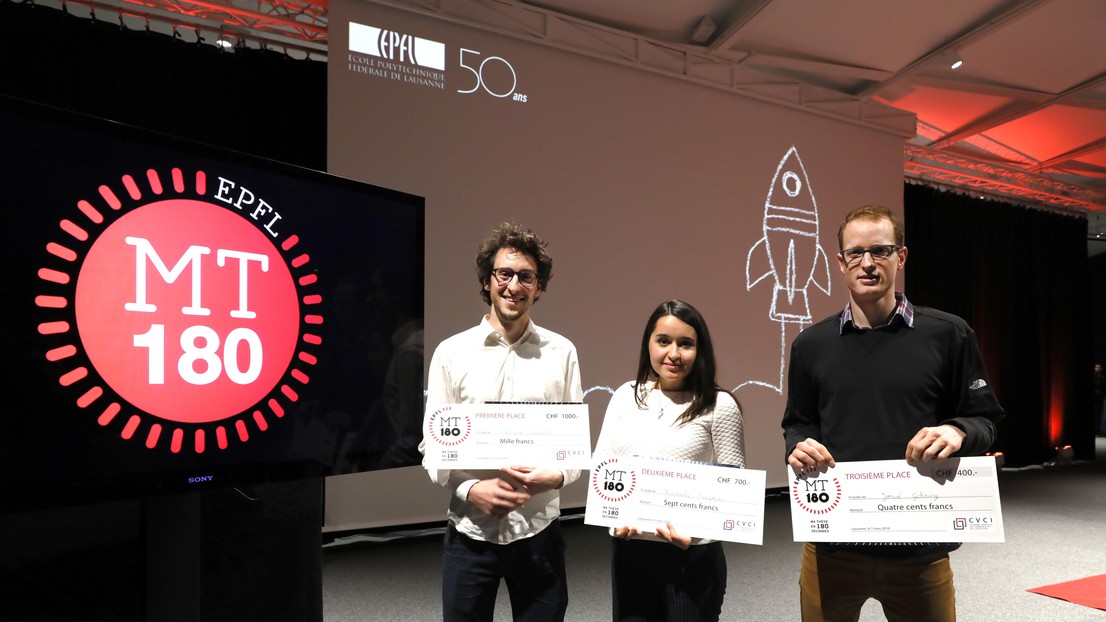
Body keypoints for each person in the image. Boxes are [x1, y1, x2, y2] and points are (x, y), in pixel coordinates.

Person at [782, 204, 1005, 622]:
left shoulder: (948, 334)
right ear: (840, 262)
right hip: (833, 544)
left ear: (901, 256)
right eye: (855, 253)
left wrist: (958, 431)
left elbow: (984, 419)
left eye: (880, 251)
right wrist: (798, 444)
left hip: (919, 548)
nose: (867, 263)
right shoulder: (810, 345)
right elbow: (798, 422)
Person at [422, 222, 582, 622]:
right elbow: (432, 446)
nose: (514, 285)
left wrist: (557, 477)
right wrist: (471, 488)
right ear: (487, 280)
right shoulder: (451, 353)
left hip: (539, 531)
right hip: (470, 533)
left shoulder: (562, 353)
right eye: (504, 274)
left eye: (526, 276)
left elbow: (575, 451)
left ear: (539, 287)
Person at [593, 299, 745, 622]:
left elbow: (735, 493)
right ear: (648, 344)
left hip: (691, 557)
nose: (673, 354)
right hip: (630, 551)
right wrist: (614, 516)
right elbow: (602, 468)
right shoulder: (624, 395)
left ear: (699, 350)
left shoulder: (720, 405)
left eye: (685, 344)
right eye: (663, 341)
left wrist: (696, 530)